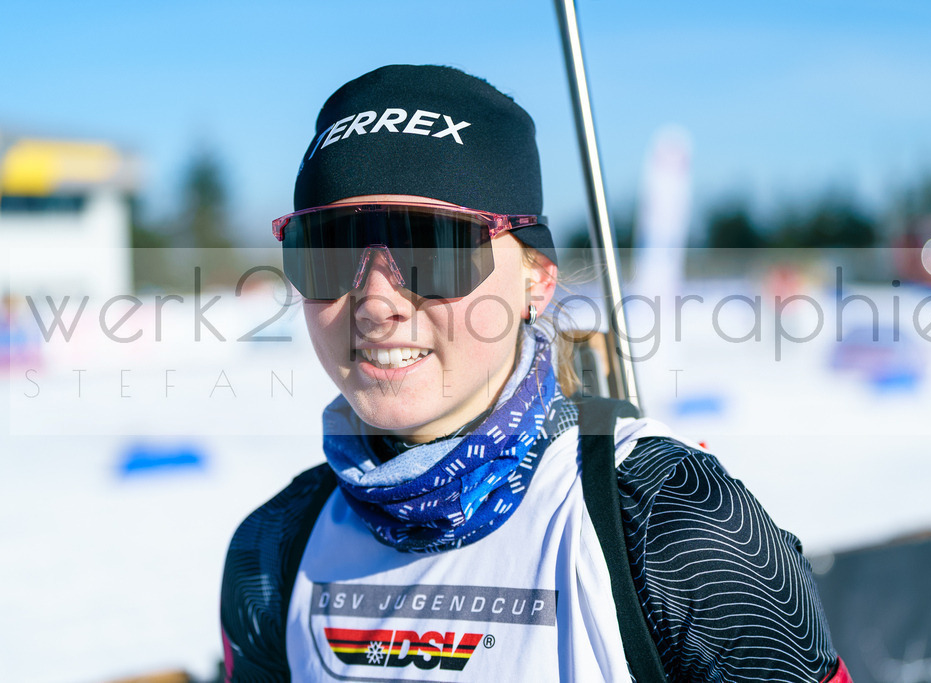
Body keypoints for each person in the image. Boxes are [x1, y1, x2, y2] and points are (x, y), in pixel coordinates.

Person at [220, 64, 851, 682]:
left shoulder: (671, 523)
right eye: (328, 252)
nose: (377, 302)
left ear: (536, 280)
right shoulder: (274, 550)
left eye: (432, 248)